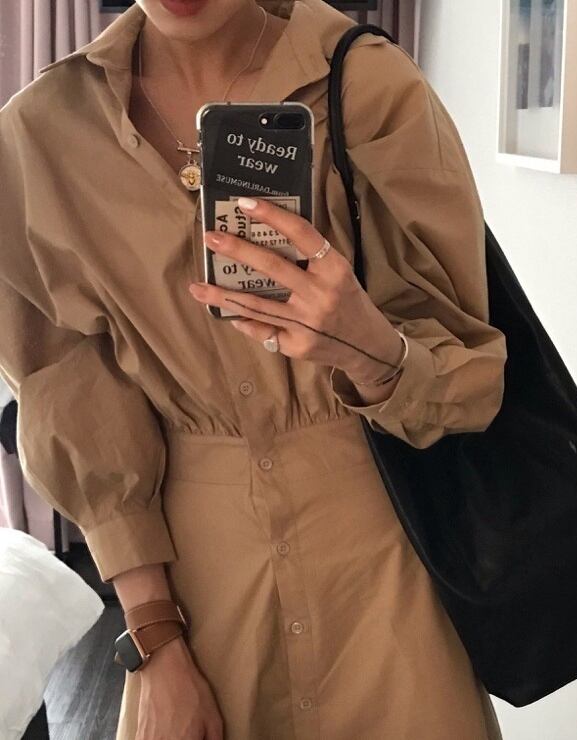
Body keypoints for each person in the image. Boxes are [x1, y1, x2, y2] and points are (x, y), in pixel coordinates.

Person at [0, 0, 507, 737]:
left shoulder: (366, 85)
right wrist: (155, 640)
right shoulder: (44, 134)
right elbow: (70, 397)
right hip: (196, 596)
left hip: (386, 573)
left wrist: (367, 347)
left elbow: (467, 377)